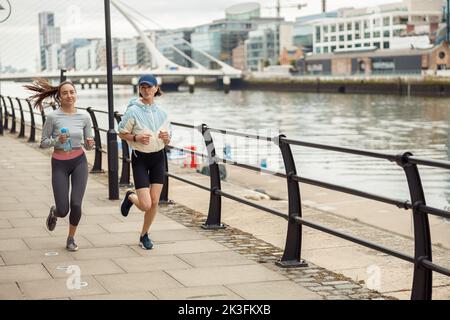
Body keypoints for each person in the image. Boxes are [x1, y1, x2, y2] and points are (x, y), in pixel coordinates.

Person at [24, 78, 95, 251]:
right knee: (64, 210)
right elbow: (43, 142)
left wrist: (90, 144)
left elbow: (88, 144)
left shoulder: (84, 116)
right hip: (59, 164)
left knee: (76, 204)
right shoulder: (53, 117)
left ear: (76, 94)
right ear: (59, 97)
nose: (69, 95)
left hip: (79, 161)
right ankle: (54, 211)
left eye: (72, 92)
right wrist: (57, 140)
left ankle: (71, 238)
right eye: (65, 93)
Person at [118, 74, 171, 250]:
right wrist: (136, 137)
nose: (146, 90)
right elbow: (121, 132)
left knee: (154, 202)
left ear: (156, 88)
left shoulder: (163, 113)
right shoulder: (133, 111)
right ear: (139, 89)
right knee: (145, 204)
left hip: (158, 158)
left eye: (149, 87)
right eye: (143, 87)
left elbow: (168, 139)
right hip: (140, 159)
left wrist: (166, 138)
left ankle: (144, 235)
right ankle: (130, 196)